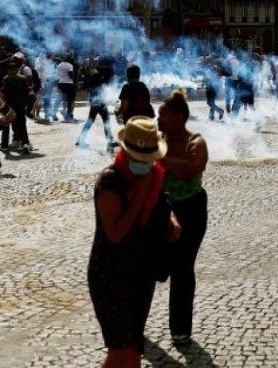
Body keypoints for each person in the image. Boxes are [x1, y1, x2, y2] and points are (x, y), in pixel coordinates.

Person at [88, 117, 180, 367]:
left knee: (132, 351)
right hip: (111, 274)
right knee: (122, 350)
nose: (145, 163)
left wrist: (171, 222)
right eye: (140, 158)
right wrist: (139, 195)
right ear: (125, 151)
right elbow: (115, 234)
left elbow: (162, 204)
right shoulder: (110, 181)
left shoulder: (153, 175)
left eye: (148, 158)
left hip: (141, 273)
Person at [156, 90, 209, 346]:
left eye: (163, 115)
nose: (158, 120)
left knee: (183, 267)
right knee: (151, 267)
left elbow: (191, 171)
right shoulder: (157, 141)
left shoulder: (196, 142)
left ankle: (180, 329)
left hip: (191, 210)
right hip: (161, 209)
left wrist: (160, 158)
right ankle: (134, 324)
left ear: (178, 117)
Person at [78, 59, 117, 151]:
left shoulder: (94, 75)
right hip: (99, 102)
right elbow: (111, 74)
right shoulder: (101, 75)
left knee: (90, 121)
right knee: (106, 121)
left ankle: (81, 139)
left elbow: (84, 87)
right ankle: (110, 141)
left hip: (94, 101)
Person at [0, 59, 33, 154]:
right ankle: (25, 143)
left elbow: (4, 93)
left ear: (8, 70)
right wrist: (26, 105)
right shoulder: (22, 78)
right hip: (20, 106)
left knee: (6, 125)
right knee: (22, 125)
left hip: (9, 107)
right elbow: (26, 93)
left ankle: (4, 145)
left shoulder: (6, 79)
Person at [56, 55, 77, 122]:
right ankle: (70, 114)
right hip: (69, 83)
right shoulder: (69, 65)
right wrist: (74, 76)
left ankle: (64, 112)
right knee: (71, 99)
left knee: (64, 99)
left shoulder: (59, 65)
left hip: (61, 83)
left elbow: (57, 75)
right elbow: (71, 75)